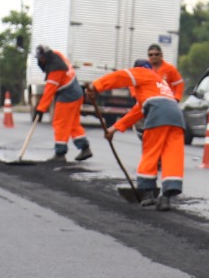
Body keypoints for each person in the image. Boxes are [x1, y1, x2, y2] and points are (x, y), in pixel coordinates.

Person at [92, 60, 184, 206]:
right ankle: (166, 196)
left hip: (158, 116)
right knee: (171, 155)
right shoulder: (159, 83)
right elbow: (137, 111)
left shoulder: (143, 72)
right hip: (176, 118)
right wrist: (114, 128)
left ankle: (147, 192)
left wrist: (96, 86)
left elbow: (121, 76)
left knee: (151, 152)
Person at [33, 45, 87, 160]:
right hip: (77, 92)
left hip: (67, 95)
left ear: (46, 56)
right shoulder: (57, 54)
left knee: (60, 123)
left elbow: (49, 91)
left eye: (41, 58)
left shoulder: (56, 70)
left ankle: (60, 153)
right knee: (73, 123)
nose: (40, 60)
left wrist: (40, 109)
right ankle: (85, 148)